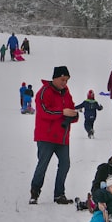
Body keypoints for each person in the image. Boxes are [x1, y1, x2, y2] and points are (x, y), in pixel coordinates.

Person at [29, 65, 79, 204]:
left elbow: (71, 109)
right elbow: (44, 111)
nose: (65, 83)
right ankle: (35, 192)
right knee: (43, 165)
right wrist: (62, 112)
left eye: (67, 80)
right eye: (62, 79)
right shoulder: (44, 91)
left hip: (62, 137)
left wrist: (74, 115)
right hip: (46, 137)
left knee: (65, 164)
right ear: (55, 78)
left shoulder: (66, 92)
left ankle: (59, 194)